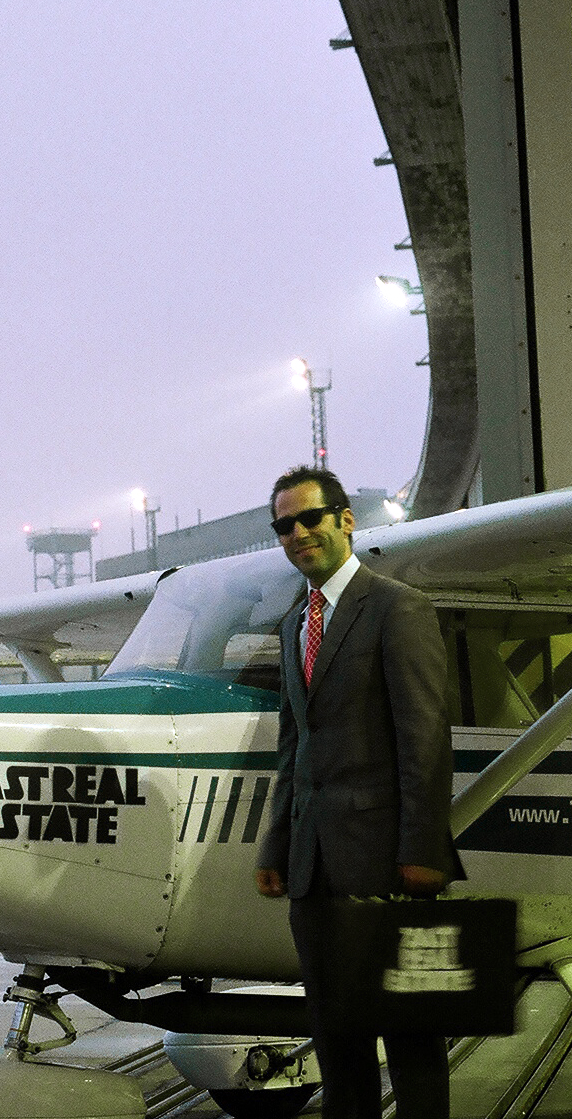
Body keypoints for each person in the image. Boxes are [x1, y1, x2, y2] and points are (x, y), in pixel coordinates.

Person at [254, 466, 464, 1119]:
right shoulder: (295, 623)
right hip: (313, 873)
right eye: (283, 525)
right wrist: (275, 847)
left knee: (410, 1048)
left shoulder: (397, 608)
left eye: (309, 518)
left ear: (344, 520)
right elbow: (295, 746)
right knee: (337, 1044)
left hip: (386, 866)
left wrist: (421, 847)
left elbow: (423, 737)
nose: (297, 534)